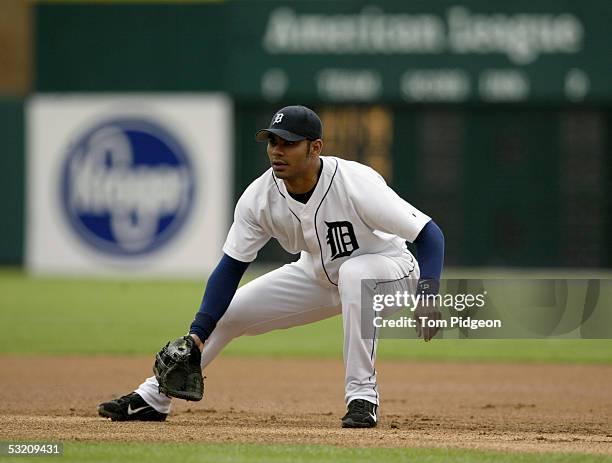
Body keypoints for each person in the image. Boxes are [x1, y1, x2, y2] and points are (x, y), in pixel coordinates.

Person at [98, 105, 444, 428]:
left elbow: (429, 234)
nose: (277, 151)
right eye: (273, 142)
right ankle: (151, 398)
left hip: (392, 271)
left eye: (289, 144)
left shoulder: (356, 183)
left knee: (356, 274)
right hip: (318, 275)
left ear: (315, 148)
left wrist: (428, 293)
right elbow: (231, 267)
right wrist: (197, 332)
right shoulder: (259, 198)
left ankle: (362, 398)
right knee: (228, 314)